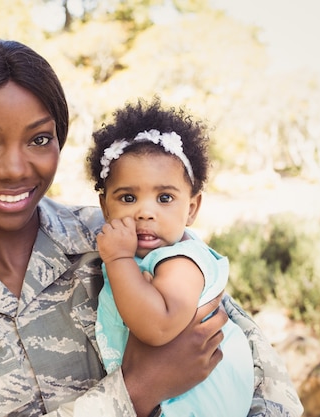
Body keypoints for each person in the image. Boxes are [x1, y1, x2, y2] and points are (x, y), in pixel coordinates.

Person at [0, 38, 303, 417]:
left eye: (39, 139)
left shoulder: (125, 236)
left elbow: (263, 378)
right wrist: (136, 390)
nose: (15, 168)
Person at [87, 98, 255, 416]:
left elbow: (158, 327)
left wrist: (119, 260)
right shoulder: (147, 257)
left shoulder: (183, 262)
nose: (146, 212)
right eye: (128, 197)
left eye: (165, 198)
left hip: (198, 402)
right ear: (106, 207)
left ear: (191, 208)